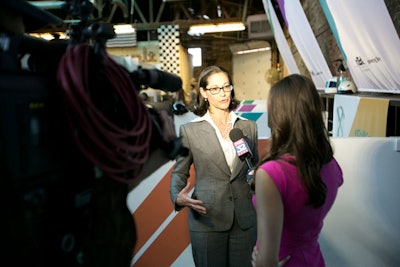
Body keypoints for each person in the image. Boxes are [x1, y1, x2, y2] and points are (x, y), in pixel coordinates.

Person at [170, 65, 259, 267]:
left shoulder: (248, 127)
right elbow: (179, 173)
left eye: (226, 87)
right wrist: (178, 196)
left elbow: (255, 168)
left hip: (244, 220)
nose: (223, 93)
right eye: (215, 89)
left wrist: (257, 179)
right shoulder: (190, 131)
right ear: (203, 92)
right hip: (207, 219)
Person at [251, 74, 344, 267]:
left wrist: (261, 263)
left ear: (277, 114)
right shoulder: (331, 164)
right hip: (313, 258)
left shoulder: (271, 174)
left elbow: (267, 261)